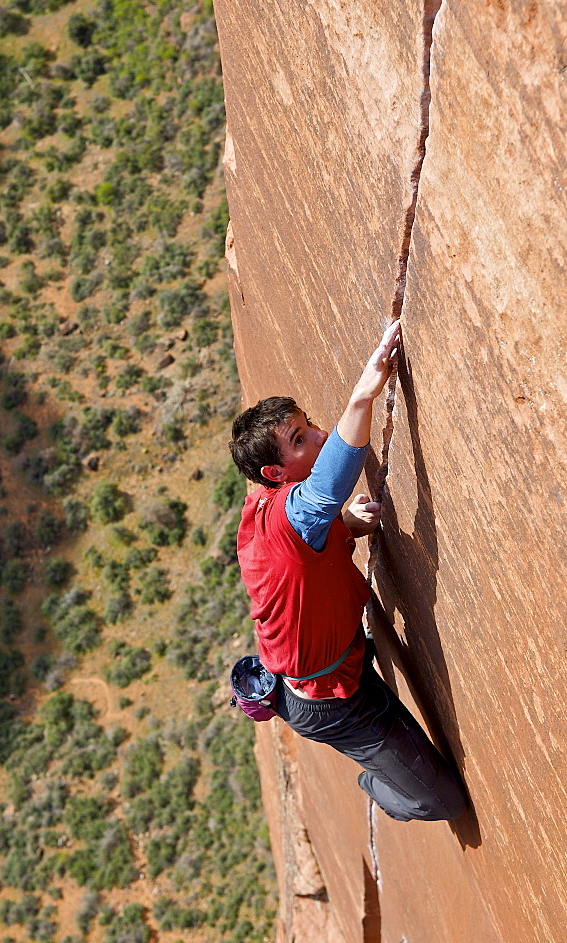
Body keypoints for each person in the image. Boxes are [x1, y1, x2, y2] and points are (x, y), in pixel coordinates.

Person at [229, 319, 466, 822]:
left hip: (345, 660)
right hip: (332, 705)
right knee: (437, 801)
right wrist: (364, 394)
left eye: (309, 425)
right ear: (276, 473)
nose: (317, 436)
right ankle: (376, 782)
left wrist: (343, 526)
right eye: (300, 439)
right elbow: (325, 491)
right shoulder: (283, 520)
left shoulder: (279, 511)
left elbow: (310, 534)